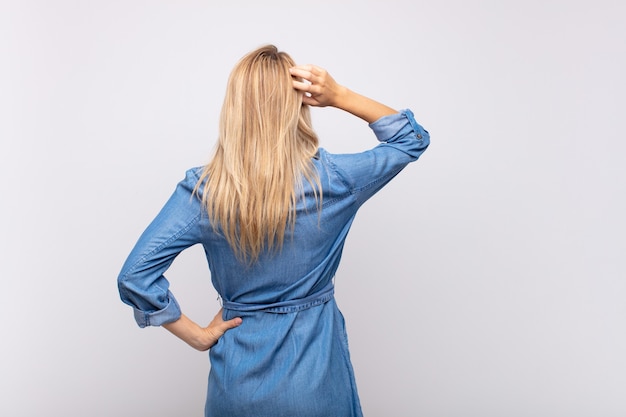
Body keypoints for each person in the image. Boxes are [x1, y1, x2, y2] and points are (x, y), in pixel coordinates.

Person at [118, 44, 429, 417]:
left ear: (234, 108)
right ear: (296, 105)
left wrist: (197, 335)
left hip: (236, 386)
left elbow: (135, 275)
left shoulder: (204, 191)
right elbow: (411, 139)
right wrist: (338, 95)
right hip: (315, 383)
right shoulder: (334, 180)